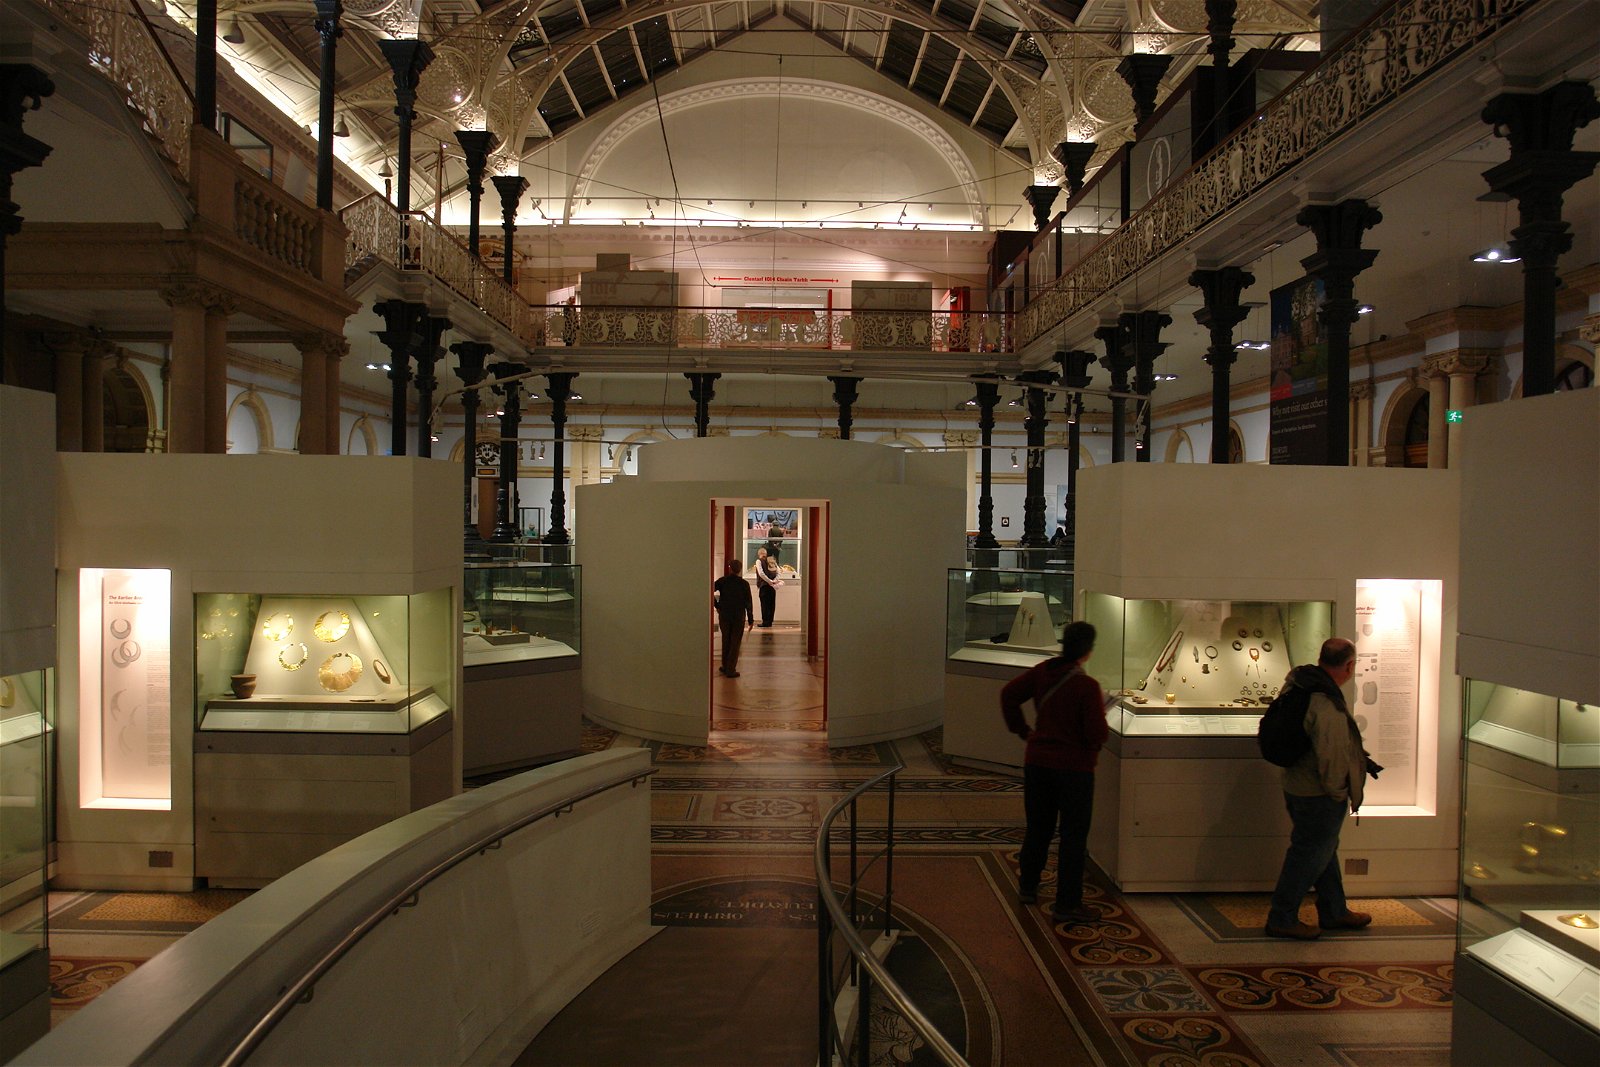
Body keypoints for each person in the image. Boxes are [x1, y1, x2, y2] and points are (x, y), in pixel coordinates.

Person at [1265, 636, 1375, 939]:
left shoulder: (1299, 684)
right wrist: (1338, 793)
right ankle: (1282, 917)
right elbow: (1332, 755)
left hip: (1296, 785)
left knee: (1322, 849)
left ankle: (1334, 910)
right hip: (1318, 793)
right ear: (1349, 666)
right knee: (1307, 854)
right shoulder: (1325, 701)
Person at [1000, 621, 1108, 923]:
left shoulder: (1042, 672)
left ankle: (1028, 886)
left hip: (1038, 762)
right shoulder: (1087, 687)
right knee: (1073, 835)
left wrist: (1023, 730)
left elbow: (1009, 694)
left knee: (1038, 828)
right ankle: (1068, 903)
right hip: (1075, 769)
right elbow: (1097, 733)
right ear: (1088, 651)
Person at [712, 559, 754, 677]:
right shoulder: (744, 584)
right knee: (735, 642)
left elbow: (709, 589)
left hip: (725, 614)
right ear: (740, 570)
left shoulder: (723, 581)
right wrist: (750, 619)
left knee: (726, 640)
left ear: (730, 568)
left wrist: (717, 605)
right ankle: (731, 669)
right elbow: (748, 603)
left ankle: (725, 666)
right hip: (738, 615)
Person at [754, 547, 780, 628]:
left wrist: (769, 581)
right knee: (772, 604)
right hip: (772, 587)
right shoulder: (772, 560)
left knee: (764, 604)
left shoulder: (759, 561)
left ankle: (765, 622)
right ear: (766, 554)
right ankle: (770, 621)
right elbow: (779, 572)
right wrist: (774, 581)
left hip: (764, 586)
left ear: (759, 554)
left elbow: (761, 573)